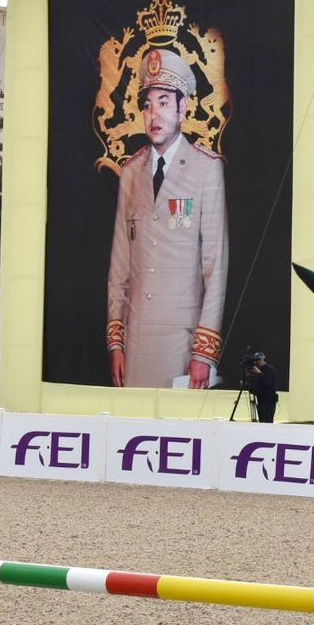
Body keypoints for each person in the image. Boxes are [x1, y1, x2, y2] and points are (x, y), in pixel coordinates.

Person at [106, 48, 229, 389]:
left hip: (182, 343)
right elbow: (119, 268)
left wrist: (203, 353)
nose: (153, 114)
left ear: (182, 107)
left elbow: (215, 269)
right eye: (147, 105)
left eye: (163, 102)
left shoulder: (207, 168)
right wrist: (116, 343)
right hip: (137, 340)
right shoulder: (131, 172)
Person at [245, 351, 278, 423]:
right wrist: (247, 386)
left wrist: (260, 373)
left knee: (267, 421)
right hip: (261, 400)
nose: (258, 362)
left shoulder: (270, 369)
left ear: (264, 359)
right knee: (262, 421)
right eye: (256, 360)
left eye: (260, 359)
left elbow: (269, 384)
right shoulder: (257, 372)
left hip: (269, 401)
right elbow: (256, 388)